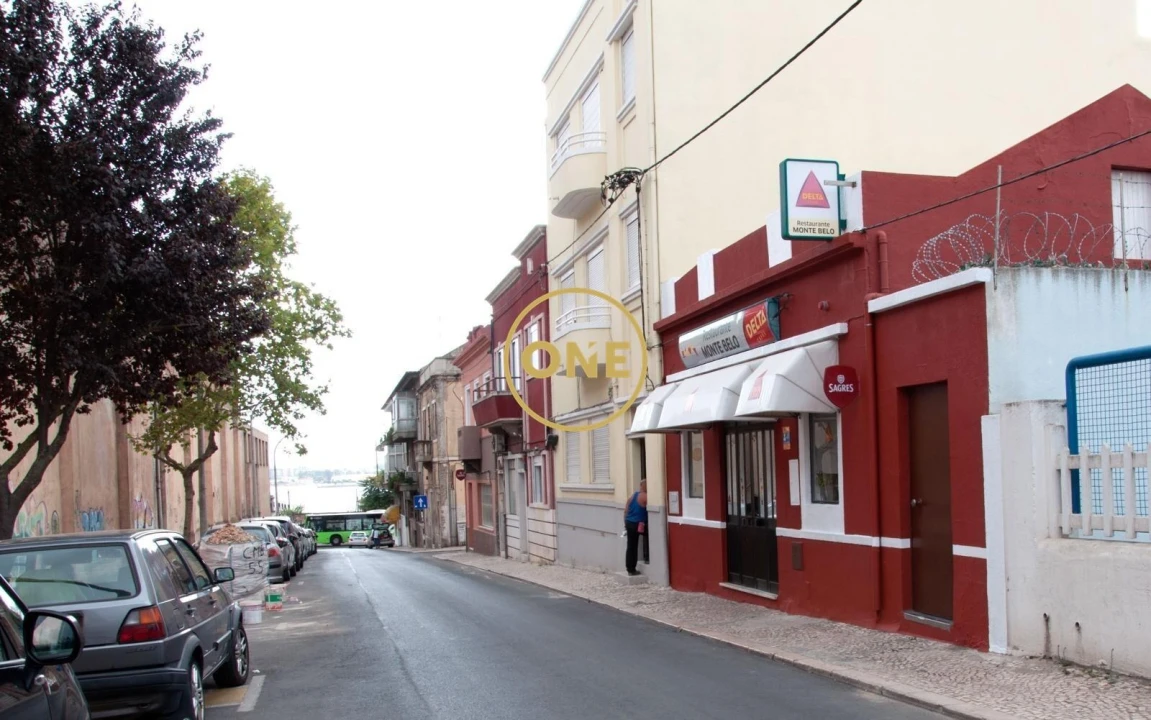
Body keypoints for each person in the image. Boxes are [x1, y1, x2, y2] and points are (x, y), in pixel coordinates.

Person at [624, 479, 648, 576]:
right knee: (635, 546)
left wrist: (625, 523)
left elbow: (625, 510)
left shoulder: (633, 495)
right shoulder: (645, 496)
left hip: (629, 522)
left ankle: (629, 568)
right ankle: (633, 568)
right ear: (644, 486)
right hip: (637, 524)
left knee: (630, 546)